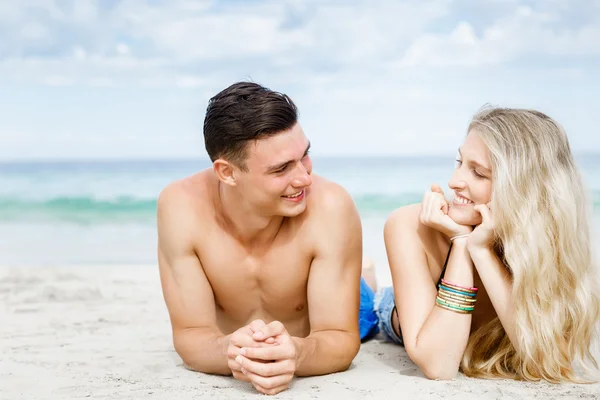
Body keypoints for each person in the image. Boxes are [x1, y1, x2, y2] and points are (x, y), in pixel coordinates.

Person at [156, 81, 379, 396]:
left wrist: (296, 355)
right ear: (227, 173)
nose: (304, 177)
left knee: (368, 303)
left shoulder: (331, 206)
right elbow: (191, 334)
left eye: (305, 155)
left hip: (334, 311)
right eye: (282, 169)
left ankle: (364, 275)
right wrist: (231, 353)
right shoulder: (181, 207)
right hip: (244, 337)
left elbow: (340, 338)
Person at [374, 106, 600, 383]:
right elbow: (439, 365)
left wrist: (481, 250)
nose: (454, 182)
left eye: (478, 173)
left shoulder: (549, 248)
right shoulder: (409, 224)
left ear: (522, 189)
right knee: (364, 303)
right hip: (389, 310)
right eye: (459, 162)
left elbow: (547, 361)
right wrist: (460, 242)